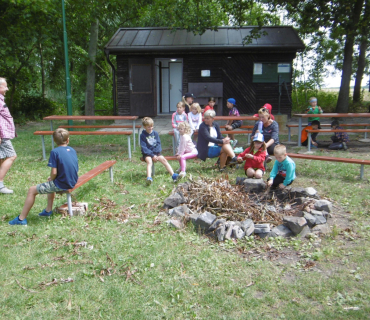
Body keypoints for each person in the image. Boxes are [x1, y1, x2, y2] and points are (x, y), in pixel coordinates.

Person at [9, 129, 79, 225]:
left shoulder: (55, 152)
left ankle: (21, 219)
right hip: (73, 180)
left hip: (63, 183)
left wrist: (53, 178)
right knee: (50, 183)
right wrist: (53, 179)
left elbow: (54, 172)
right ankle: (48, 210)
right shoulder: (72, 150)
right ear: (68, 140)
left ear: (54, 140)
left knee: (32, 190)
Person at [141, 117, 179, 185]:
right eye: (148, 127)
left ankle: (173, 175)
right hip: (147, 153)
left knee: (164, 160)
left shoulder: (155, 133)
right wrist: (152, 155)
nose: (150, 128)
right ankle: (149, 178)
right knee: (149, 161)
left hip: (156, 152)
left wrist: (156, 154)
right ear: (144, 127)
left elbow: (158, 144)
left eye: (152, 126)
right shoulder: (142, 135)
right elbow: (144, 147)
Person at [0, 77, 17, 194]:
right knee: (11, 156)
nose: (7, 88)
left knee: (1, 158)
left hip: (3, 133)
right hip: (2, 134)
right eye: (5, 86)